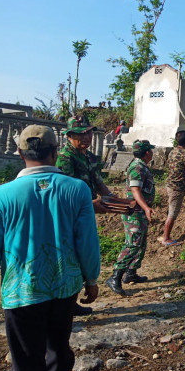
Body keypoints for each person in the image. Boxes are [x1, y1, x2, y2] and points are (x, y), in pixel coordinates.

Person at [0, 125, 100, 371]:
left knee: (26, 360)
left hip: (21, 293)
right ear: (55, 152)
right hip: (64, 288)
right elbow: (87, 241)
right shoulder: (77, 190)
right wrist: (91, 278)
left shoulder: (0, 196)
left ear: (20, 153)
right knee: (58, 344)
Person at [56, 115, 116, 316]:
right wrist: (91, 204)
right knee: (70, 256)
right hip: (69, 215)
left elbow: (98, 181)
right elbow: (65, 193)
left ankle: (72, 300)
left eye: (89, 132)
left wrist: (112, 198)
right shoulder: (65, 158)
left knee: (83, 254)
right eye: (81, 134)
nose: (86, 137)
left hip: (86, 212)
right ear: (70, 136)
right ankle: (66, 302)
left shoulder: (89, 157)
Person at [106, 140, 156, 296]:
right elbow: (135, 191)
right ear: (147, 153)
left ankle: (131, 273)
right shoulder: (137, 168)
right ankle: (115, 276)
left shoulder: (141, 166)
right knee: (133, 243)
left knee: (141, 242)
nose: (152, 153)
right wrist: (147, 208)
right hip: (134, 211)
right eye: (151, 151)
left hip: (139, 211)